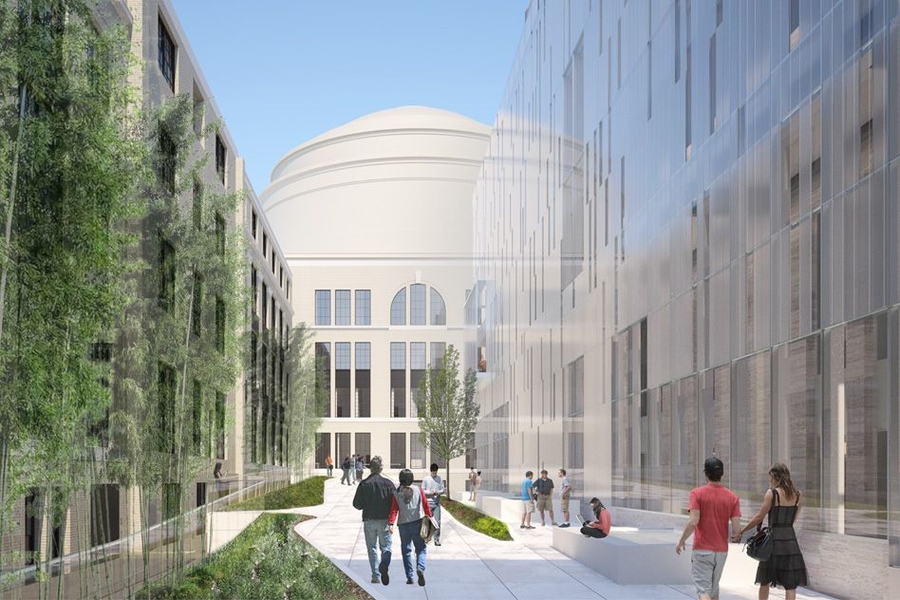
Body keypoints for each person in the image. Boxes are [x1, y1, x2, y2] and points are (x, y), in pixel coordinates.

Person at [736, 463, 809, 600]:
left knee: (765, 580)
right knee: (790, 584)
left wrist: (742, 530)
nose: (770, 481)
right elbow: (793, 519)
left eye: (771, 478)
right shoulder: (798, 495)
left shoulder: (772, 493)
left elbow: (759, 517)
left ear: (776, 477)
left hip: (773, 543)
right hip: (790, 542)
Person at [676, 456, 742, 600]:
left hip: (702, 549)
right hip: (721, 551)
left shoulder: (696, 494)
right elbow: (737, 528)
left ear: (706, 474)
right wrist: (736, 535)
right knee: (713, 589)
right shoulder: (733, 497)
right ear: (722, 474)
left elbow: (693, 521)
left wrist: (681, 540)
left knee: (704, 591)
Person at [352, 456, 398, 586]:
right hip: (384, 520)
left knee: (372, 548)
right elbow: (396, 502)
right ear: (381, 468)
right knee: (386, 547)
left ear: (370, 468)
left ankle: (376, 576)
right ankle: (384, 565)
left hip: (369, 520)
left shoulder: (364, 484)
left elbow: (356, 504)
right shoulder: (388, 484)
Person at [390, 468, 433, 586]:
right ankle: (420, 568)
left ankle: (409, 577)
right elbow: (426, 505)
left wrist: (390, 524)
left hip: (402, 525)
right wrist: (430, 518)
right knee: (421, 548)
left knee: (406, 551)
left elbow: (394, 510)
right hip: (417, 523)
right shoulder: (419, 490)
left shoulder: (397, 492)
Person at [421, 463, 445, 546]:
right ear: (430, 471)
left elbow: (443, 490)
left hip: (436, 504)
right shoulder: (426, 479)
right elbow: (422, 491)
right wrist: (429, 492)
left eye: (435, 472)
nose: (434, 474)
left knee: (437, 522)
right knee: (426, 522)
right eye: (433, 472)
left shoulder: (439, 479)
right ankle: (426, 539)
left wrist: (437, 492)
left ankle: (437, 540)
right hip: (427, 504)